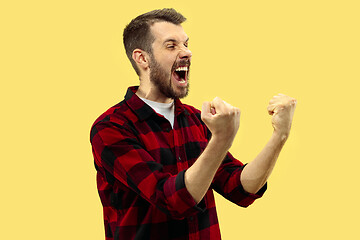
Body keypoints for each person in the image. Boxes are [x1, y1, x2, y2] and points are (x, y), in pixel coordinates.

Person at [90, 8, 297, 240]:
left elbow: (239, 187)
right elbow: (171, 200)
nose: (187, 52)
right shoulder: (111, 127)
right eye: (171, 45)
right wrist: (221, 139)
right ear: (142, 58)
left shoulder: (195, 120)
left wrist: (280, 135)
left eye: (186, 44)